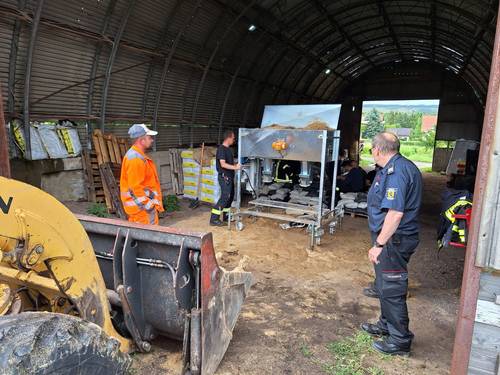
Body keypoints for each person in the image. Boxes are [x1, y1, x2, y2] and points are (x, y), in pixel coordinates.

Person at [361, 132, 422, 356]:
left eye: (370, 149)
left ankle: (400, 340)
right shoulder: (393, 167)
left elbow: (395, 214)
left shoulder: (398, 172)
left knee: (392, 288)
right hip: (389, 239)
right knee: (384, 286)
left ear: (377, 150)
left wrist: (379, 244)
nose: (371, 153)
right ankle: (386, 326)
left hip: (393, 240)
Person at [120, 124, 164, 225]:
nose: (152, 140)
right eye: (149, 138)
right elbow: (135, 188)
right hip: (142, 211)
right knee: (148, 237)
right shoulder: (135, 159)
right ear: (141, 140)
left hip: (141, 210)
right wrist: (149, 206)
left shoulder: (138, 156)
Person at [210, 130, 240, 226]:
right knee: (224, 197)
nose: (234, 140)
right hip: (224, 177)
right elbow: (223, 164)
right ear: (228, 138)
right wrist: (235, 167)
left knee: (230, 197)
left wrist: (235, 165)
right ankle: (214, 219)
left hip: (230, 177)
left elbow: (229, 164)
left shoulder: (228, 150)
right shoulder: (221, 149)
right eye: (233, 138)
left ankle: (226, 216)